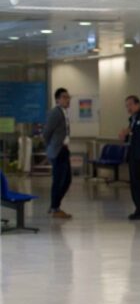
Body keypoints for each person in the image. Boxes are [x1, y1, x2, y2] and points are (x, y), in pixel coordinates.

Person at [42, 88, 72, 219]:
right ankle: (55, 208)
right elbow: (46, 132)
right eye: (64, 97)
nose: (67, 99)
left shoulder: (64, 112)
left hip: (63, 149)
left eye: (68, 97)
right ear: (57, 100)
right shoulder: (55, 113)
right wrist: (51, 147)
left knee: (67, 179)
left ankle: (55, 205)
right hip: (58, 151)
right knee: (59, 180)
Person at [118, 95, 140, 220]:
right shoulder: (132, 119)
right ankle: (139, 208)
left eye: (130, 105)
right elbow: (131, 136)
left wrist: (131, 132)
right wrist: (124, 136)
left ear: (138, 104)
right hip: (133, 155)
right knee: (134, 184)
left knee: (139, 183)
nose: (128, 108)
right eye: (127, 106)